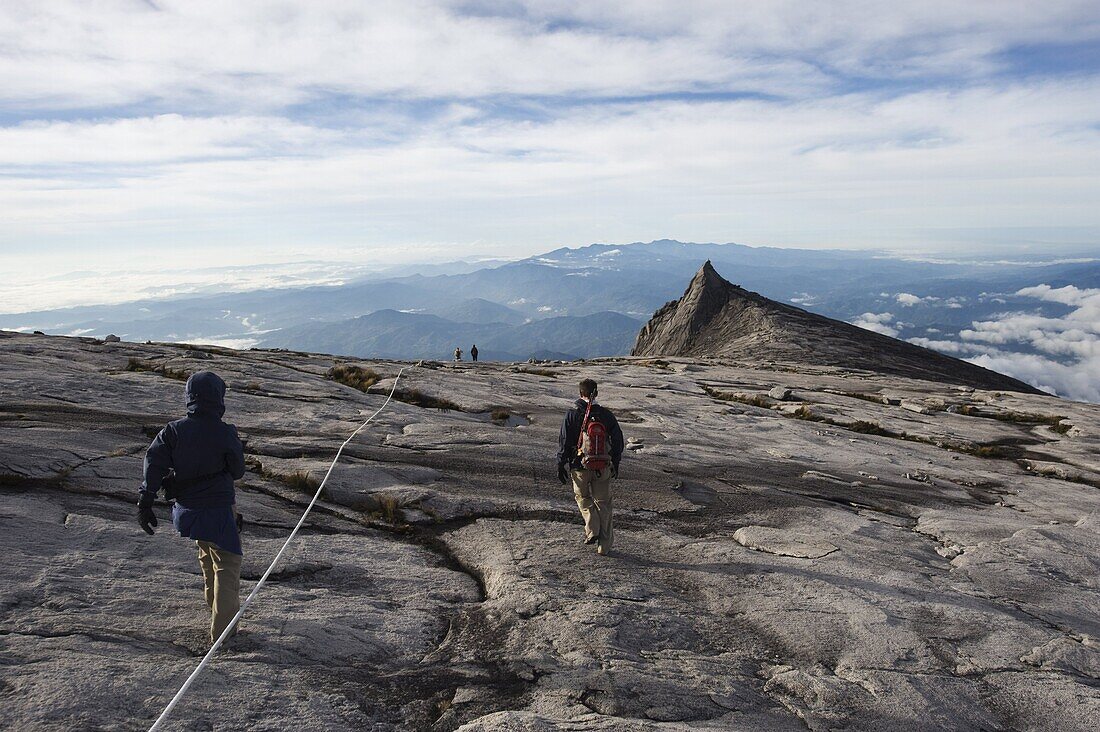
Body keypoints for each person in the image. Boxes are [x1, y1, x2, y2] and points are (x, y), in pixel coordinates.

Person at [137, 371, 246, 643]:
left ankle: (214, 610)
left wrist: (145, 501)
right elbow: (237, 471)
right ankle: (222, 636)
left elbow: (153, 463)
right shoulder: (224, 432)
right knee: (227, 565)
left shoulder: (173, 431)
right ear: (218, 398)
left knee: (208, 557)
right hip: (218, 510)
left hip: (187, 512)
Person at [557, 378, 624, 556]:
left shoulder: (571, 415)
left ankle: (592, 526)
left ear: (581, 394)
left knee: (583, 497)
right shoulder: (607, 415)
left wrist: (561, 462)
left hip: (579, 466)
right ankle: (604, 546)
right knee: (604, 504)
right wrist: (615, 462)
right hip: (602, 466)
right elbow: (617, 441)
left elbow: (564, 442)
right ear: (597, 393)